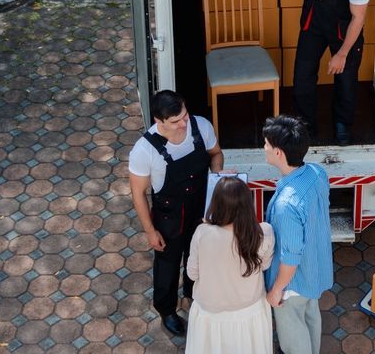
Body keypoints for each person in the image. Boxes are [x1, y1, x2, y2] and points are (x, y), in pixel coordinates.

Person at [253, 0, 371, 144]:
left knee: (346, 79)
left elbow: (358, 17)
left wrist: (342, 53)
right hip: (314, 19)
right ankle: (305, 125)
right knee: (302, 75)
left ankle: (342, 125)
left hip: (344, 26)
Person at [128, 90, 224, 337]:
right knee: (167, 265)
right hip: (169, 216)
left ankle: (193, 295)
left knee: (199, 255)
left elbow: (216, 154)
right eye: (175, 121)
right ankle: (167, 310)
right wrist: (150, 231)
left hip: (201, 208)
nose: (183, 123)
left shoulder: (200, 125)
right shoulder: (143, 150)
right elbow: (138, 193)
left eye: (184, 115)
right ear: (159, 122)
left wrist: (217, 179)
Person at [262, 115, 334, 354]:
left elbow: (290, 258)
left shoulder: (286, 205)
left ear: (279, 153)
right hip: (314, 270)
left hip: (292, 284)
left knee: (294, 341)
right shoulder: (316, 172)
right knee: (311, 318)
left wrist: (275, 291)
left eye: (267, 144)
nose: (264, 148)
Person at [185, 176, 275, 354]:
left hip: (210, 315)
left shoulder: (202, 233)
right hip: (250, 312)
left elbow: (192, 274)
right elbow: (264, 266)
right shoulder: (264, 232)